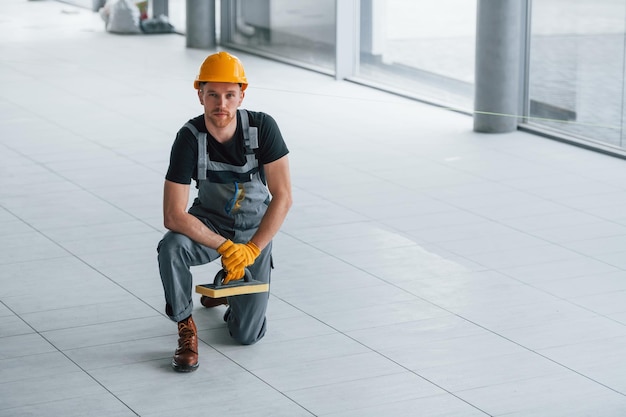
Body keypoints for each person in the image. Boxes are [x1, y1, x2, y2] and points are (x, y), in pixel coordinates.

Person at [157, 51, 292, 372]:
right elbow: (173, 215)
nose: (222, 103)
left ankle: (227, 289)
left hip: (253, 233)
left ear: (242, 95)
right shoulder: (189, 138)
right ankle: (185, 326)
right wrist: (225, 247)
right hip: (209, 225)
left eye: (230, 95)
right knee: (171, 246)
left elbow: (283, 197)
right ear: (200, 94)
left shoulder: (263, 128)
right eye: (213, 94)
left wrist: (251, 250)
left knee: (247, 336)